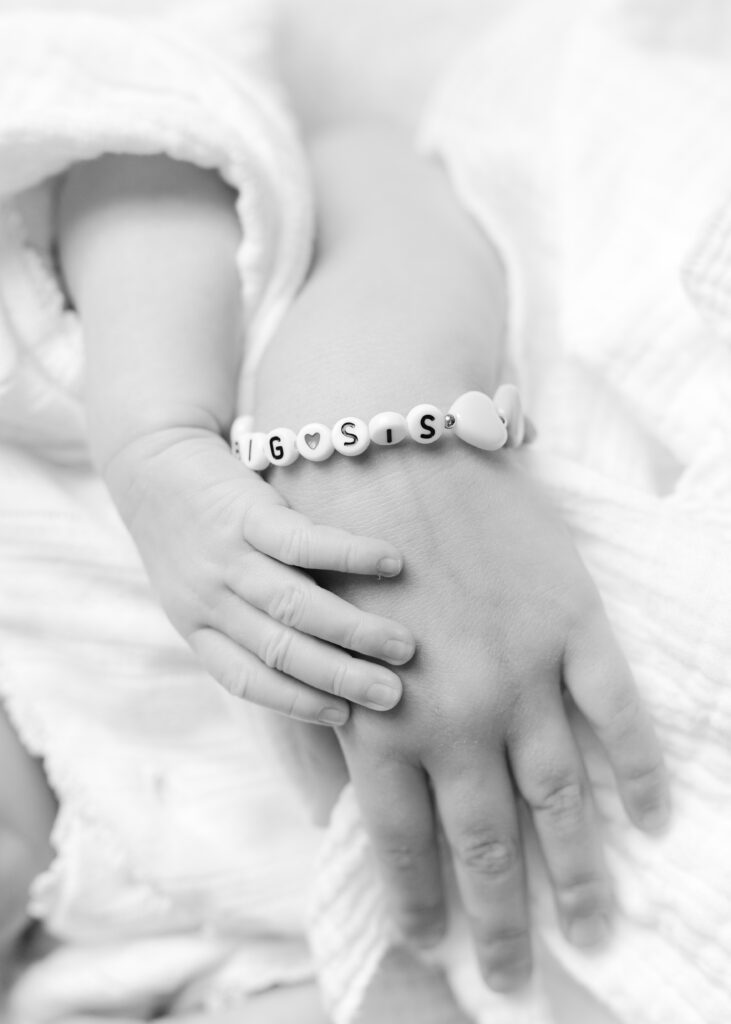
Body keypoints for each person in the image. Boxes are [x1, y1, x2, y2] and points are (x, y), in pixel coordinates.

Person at [0, 0, 680, 1021]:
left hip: (518, 371)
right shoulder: (102, 958)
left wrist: (158, 436)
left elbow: (159, 146)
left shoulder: (40, 449)